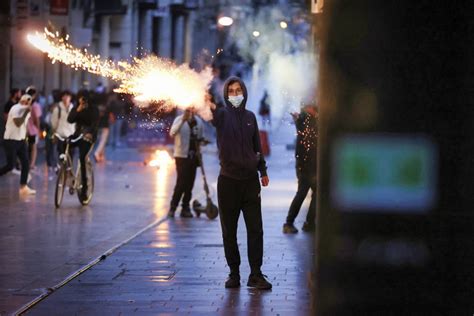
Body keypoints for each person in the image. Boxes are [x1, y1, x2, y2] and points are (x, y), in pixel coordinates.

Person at [210, 77, 272, 290]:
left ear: (244, 93)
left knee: (256, 230)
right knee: (229, 231)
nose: (235, 94)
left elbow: (257, 147)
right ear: (226, 95)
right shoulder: (221, 115)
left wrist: (262, 170)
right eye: (231, 91)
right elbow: (209, 111)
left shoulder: (250, 117)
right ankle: (234, 273)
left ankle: (255, 274)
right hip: (228, 182)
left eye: (238, 91)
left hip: (250, 183)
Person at [283, 105, 318, 234]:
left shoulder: (306, 119)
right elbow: (308, 144)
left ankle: (307, 223)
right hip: (306, 167)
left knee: (313, 193)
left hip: (308, 165)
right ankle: (289, 223)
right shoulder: (306, 120)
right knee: (302, 193)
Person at [168, 107, 204, 218]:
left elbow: (200, 139)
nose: (190, 112)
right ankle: (173, 207)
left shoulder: (198, 121)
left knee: (190, 184)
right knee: (181, 183)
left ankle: (185, 207)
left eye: (192, 110)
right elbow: (172, 133)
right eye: (188, 110)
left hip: (193, 157)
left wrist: (201, 146)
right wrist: (183, 120)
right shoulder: (179, 120)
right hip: (181, 156)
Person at [0, 94, 36, 195]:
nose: (28, 104)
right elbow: (18, 123)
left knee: (25, 163)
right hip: (11, 140)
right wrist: (26, 112)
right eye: (26, 102)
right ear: (22, 101)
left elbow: (24, 125)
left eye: (29, 102)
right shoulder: (15, 108)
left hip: (20, 140)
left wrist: (25, 137)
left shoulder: (26, 110)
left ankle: (23, 187)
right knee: (10, 165)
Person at [67, 91, 99, 199]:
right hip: (77, 135)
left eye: (84, 98)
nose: (82, 100)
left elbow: (95, 123)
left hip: (88, 138)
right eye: (80, 98)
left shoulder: (93, 109)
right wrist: (78, 110)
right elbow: (70, 120)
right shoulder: (76, 107)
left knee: (82, 158)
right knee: (65, 144)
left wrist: (90, 133)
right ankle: (66, 169)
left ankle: (84, 189)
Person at [51, 90, 76, 157]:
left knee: (71, 155)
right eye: (64, 96)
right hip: (61, 136)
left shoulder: (73, 109)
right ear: (61, 98)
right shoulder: (57, 109)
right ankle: (62, 166)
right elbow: (53, 122)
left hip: (71, 135)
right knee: (61, 155)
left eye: (67, 96)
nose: (66, 98)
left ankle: (69, 167)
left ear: (70, 98)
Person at [25, 86, 42, 170]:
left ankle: (24, 163)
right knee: (33, 148)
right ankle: (32, 164)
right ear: (34, 95)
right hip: (33, 130)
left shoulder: (23, 104)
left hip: (24, 130)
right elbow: (37, 119)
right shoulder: (35, 105)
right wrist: (38, 129)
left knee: (25, 147)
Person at [93, 96, 110, 162]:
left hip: (98, 126)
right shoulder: (106, 108)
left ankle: (101, 156)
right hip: (105, 126)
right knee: (103, 141)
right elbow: (110, 117)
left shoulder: (96, 108)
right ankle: (97, 153)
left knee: (101, 141)